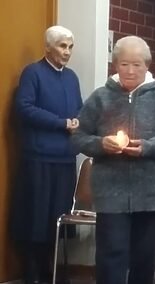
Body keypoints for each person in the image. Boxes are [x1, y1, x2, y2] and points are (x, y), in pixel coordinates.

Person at [71, 36, 155, 284]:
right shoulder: (100, 97)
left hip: (152, 194)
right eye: (124, 64)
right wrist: (100, 144)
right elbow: (79, 137)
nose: (130, 70)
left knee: (144, 258)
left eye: (137, 64)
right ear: (115, 64)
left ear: (147, 66)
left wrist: (147, 147)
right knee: (111, 255)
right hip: (110, 193)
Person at [11, 25, 82, 284]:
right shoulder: (34, 73)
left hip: (65, 158)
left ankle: (50, 271)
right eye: (62, 46)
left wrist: (81, 123)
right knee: (35, 218)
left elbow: (79, 109)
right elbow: (25, 108)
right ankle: (31, 272)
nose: (67, 52)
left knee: (57, 219)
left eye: (70, 47)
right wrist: (62, 123)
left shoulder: (72, 77)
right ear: (48, 48)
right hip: (38, 157)